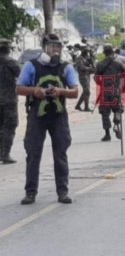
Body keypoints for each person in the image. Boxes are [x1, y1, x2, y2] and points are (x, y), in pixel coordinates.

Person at [16, 34, 79, 204]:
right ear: (44, 47)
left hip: (58, 116)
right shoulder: (31, 66)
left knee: (60, 154)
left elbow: (74, 92)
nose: (55, 50)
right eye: (52, 46)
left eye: (58, 47)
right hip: (37, 116)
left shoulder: (65, 67)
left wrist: (61, 92)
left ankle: (62, 191)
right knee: (33, 153)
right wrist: (35, 91)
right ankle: (30, 192)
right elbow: (19, 88)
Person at [95, 44, 125, 142]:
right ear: (112, 52)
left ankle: (107, 134)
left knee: (104, 113)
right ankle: (116, 121)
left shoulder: (100, 64)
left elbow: (96, 78)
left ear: (104, 53)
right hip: (115, 90)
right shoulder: (119, 63)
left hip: (104, 92)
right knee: (117, 108)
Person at [0, 38, 20, 164]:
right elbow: (21, 75)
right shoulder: (11, 62)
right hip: (8, 100)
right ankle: (5, 153)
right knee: (10, 125)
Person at [74, 47, 95, 112]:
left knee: (86, 92)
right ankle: (85, 107)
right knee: (87, 91)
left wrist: (92, 63)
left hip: (87, 76)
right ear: (85, 54)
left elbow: (93, 67)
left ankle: (79, 105)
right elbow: (82, 68)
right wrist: (90, 68)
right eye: (87, 54)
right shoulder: (79, 59)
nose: (88, 56)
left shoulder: (86, 59)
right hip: (83, 76)